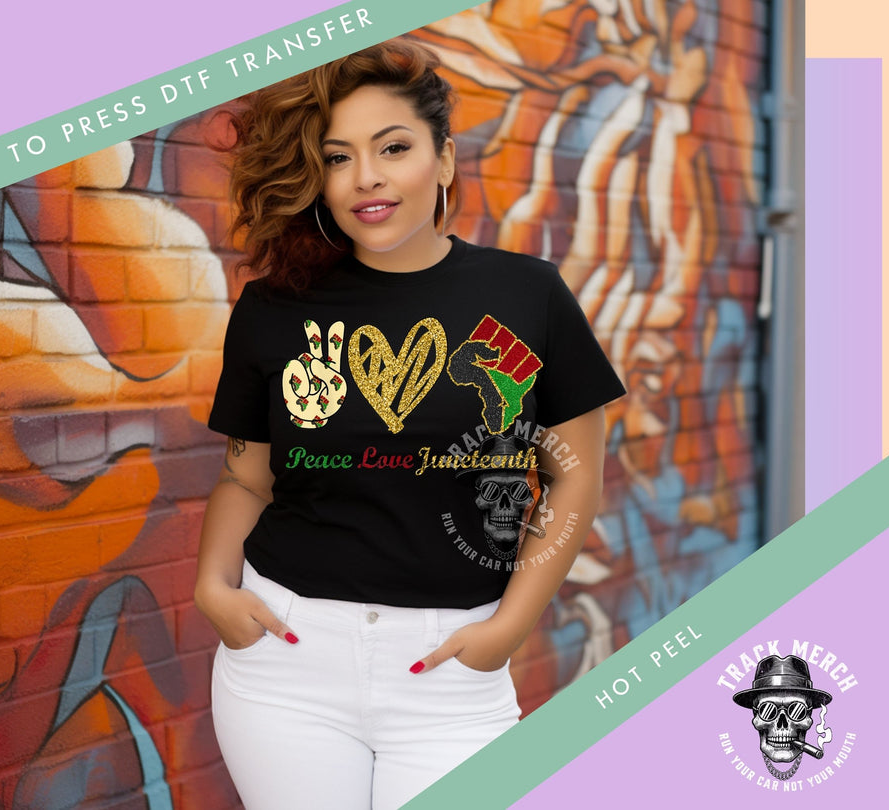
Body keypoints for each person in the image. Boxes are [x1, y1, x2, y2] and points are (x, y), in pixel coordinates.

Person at [194, 38, 626, 810]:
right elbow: (245, 475)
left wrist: (508, 629)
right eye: (337, 157)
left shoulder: (528, 295)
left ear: (446, 158)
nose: (367, 177)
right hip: (286, 665)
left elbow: (575, 474)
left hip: (450, 671)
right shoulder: (274, 308)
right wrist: (212, 588)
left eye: (393, 147)